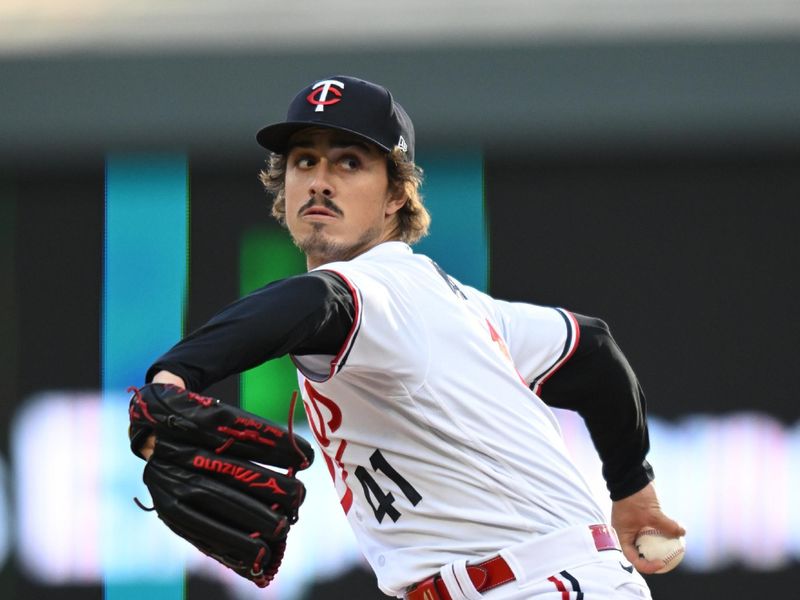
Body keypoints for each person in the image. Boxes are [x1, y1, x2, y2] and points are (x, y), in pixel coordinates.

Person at [139, 75, 685, 599]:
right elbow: (591, 349)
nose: (320, 180)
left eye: (349, 162)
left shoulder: (382, 287)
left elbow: (315, 302)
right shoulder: (463, 310)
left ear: (396, 194)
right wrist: (634, 491)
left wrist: (175, 372)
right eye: (305, 161)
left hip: (538, 584)